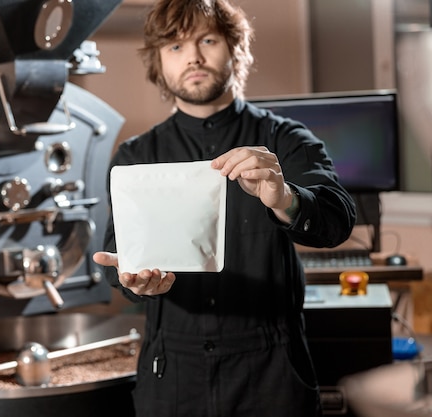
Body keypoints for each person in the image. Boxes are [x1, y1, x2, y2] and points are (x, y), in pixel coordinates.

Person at [93, 0, 356, 415]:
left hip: (271, 372)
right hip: (172, 377)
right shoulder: (135, 156)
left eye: (208, 40)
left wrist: (284, 197)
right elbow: (116, 253)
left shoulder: (286, 138)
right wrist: (131, 279)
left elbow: (338, 220)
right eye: (175, 47)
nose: (193, 56)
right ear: (159, 64)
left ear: (236, 48)